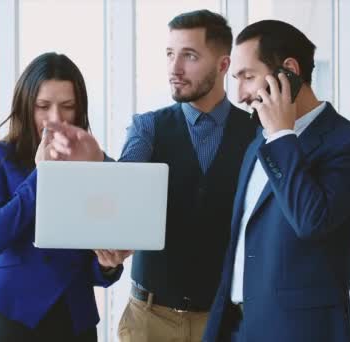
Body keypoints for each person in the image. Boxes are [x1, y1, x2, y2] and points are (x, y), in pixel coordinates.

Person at [47, 10, 256, 342]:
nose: (174, 69)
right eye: (170, 54)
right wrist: (97, 160)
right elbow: (124, 185)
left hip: (225, 323)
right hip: (149, 321)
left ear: (223, 65)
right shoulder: (148, 127)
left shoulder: (256, 133)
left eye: (189, 56)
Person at [202, 20, 350, 342]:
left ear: (289, 70)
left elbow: (312, 221)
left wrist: (283, 135)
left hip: (298, 332)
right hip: (236, 328)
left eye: (247, 77)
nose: (239, 94)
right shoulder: (258, 141)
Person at [0, 52, 130, 342]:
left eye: (67, 107)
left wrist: (107, 265)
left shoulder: (94, 162)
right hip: (13, 312)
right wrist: (42, 173)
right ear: (24, 106)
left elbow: (94, 262)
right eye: (43, 106)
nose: (55, 118)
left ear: (79, 110)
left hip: (75, 316)